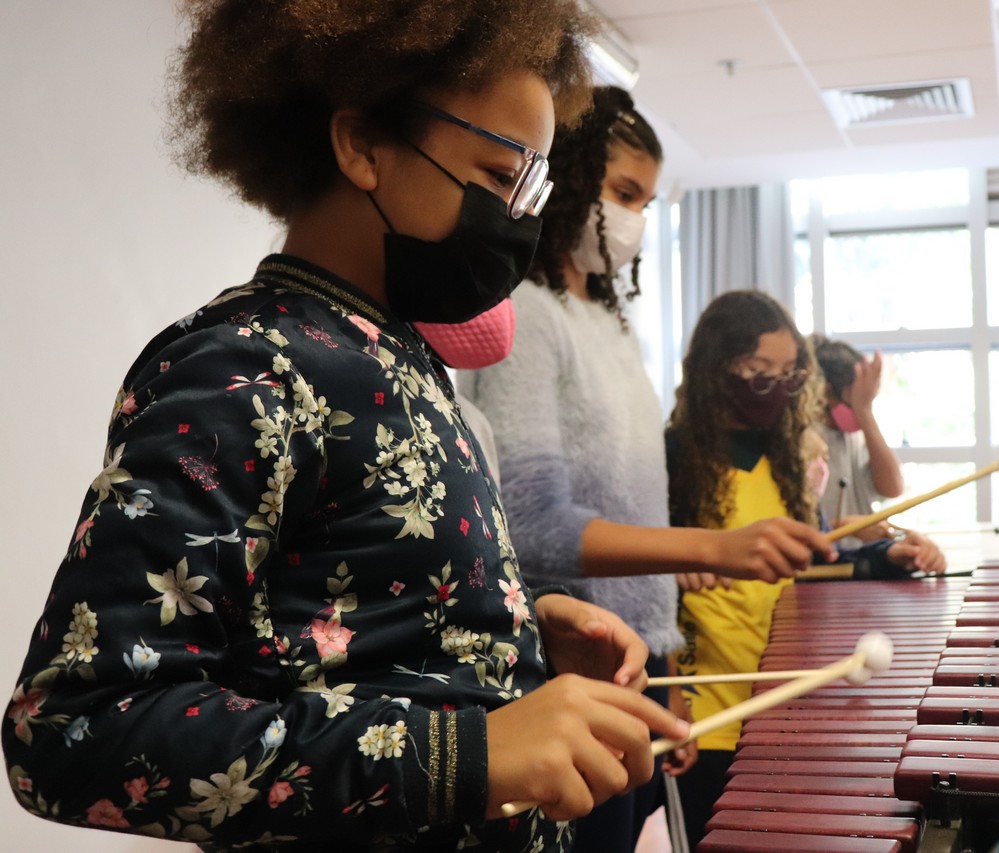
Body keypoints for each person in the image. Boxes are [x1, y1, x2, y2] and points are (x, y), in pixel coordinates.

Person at [1, 4, 692, 852]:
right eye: (501, 175)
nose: (521, 220)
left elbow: (350, 626)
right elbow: (73, 731)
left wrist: (517, 642)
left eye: (533, 191)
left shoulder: (407, 362)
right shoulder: (243, 369)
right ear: (364, 145)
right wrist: (462, 753)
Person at [458, 87, 835, 852]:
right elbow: (529, 523)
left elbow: (633, 503)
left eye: (647, 202)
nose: (634, 219)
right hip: (574, 659)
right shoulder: (529, 314)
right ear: (568, 181)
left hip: (642, 658)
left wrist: (669, 674)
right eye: (624, 193)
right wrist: (712, 546)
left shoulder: (609, 321)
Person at [666, 291, 939, 845]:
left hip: (787, 700)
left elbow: (818, 558)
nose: (775, 386)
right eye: (757, 371)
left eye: (789, 374)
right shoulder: (672, 459)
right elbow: (636, 578)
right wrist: (673, 567)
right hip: (706, 708)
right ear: (716, 368)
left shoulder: (788, 459)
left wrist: (887, 558)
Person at [809, 335, 904, 536]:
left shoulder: (856, 435)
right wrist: (842, 527)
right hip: (827, 552)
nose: (861, 405)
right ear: (825, 392)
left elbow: (892, 487)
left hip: (864, 552)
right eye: (855, 398)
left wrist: (865, 412)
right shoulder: (806, 442)